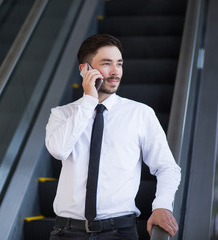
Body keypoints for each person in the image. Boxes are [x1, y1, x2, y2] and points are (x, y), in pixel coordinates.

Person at [45, 34, 181, 240]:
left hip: (119, 232)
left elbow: (167, 167)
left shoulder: (140, 114)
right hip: (66, 232)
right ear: (85, 70)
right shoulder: (62, 114)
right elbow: (58, 150)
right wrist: (89, 101)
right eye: (107, 64)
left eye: (119, 64)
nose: (116, 71)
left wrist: (162, 205)